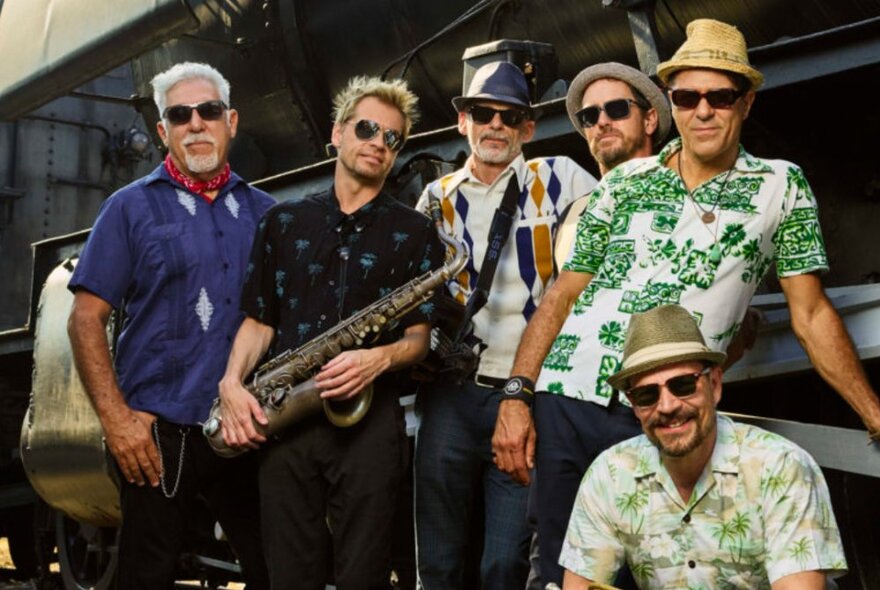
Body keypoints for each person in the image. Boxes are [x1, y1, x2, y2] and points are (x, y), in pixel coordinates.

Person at [494, 18, 880, 589]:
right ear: (670, 103)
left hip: (663, 407)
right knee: (559, 576)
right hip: (568, 397)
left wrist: (874, 414)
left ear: (745, 103)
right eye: (687, 96)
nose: (702, 110)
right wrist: (518, 396)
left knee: (658, 574)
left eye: (719, 96)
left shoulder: (781, 187)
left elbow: (812, 313)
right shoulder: (625, 183)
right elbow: (562, 295)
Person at [218, 75, 443, 590]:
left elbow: (420, 338)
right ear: (337, 133)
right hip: (288, 418)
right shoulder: (283, 221)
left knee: (363, 575)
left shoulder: (415, 231)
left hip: (369, 428)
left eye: (393, 138)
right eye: (367, 128)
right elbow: (259, 319)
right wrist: (231, 383)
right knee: (290, 574)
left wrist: (378, 359)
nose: (378, 144)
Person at [67, 62, 272, 589]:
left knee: (279, 573)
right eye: (179, 115)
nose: (195, 124)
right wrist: (117, 423)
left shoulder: (269, 214)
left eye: (208, 111)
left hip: (248, 430)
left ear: (231, 121)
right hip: (158, 437)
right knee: (144, 578)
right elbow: (85, 320)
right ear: (163, 130)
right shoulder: (127, 208)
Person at [413, 61, 598, 590]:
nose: (495, 125)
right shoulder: (435, 198)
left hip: (526, 394)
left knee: (504, 565)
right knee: (439, 563)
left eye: (509, 116)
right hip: (452, 395)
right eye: (482, 113)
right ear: (462, 121)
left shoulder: (562, 177)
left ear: (528, 128)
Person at [560, 304, 848, 589]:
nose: (668, 406)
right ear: (634, 407)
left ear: (715, 384)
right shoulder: (609, 475)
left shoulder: (781, 466)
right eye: (647, 394)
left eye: (683, 385)